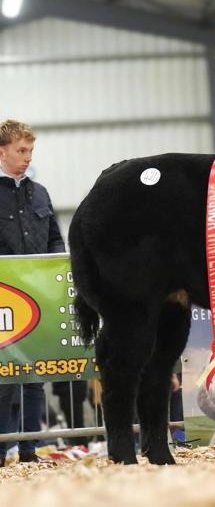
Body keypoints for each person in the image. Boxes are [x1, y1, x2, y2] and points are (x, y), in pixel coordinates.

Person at [0, 119, 65, 466]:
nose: (27, 157)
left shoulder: (40, 193)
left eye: (30, 151)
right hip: (4, 300)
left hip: (39, 297)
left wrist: (55, 265)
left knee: (36, 376)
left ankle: (29, 451)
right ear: (2, 152)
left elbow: (55, 237)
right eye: (21, 150)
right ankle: (1, 451)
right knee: (5, 378)